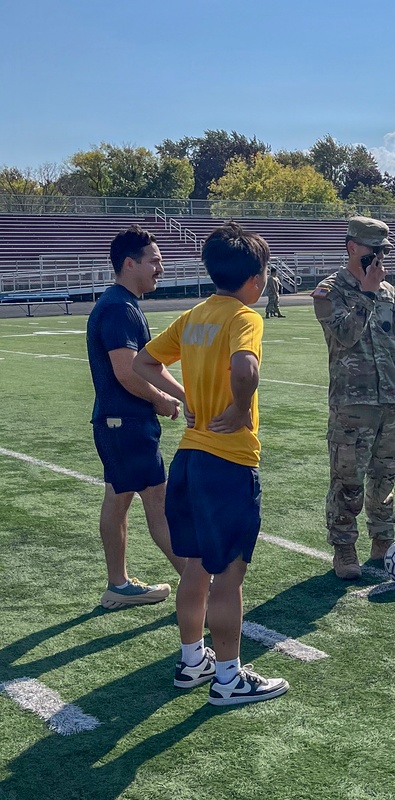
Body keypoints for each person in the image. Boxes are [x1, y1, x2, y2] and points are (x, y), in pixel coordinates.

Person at [134, 222, 288, 706]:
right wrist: (240, 409)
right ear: (256, 279)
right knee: (230, 575)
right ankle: (227, 678)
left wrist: (185, 397)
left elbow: (144, 362)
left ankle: (191, 661)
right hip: (228, 463)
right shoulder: (244, 317)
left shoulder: (194, 314)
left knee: (195, 570)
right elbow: (245, 368)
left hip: (189, 459)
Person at [312, 216, 395, 580]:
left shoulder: (390, 292)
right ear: (351, 248)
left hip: (391, 402)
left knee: (384, 477)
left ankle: (383, 540)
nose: (377, 257)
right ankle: (344, 549)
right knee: (348, 481)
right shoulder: (329, 291)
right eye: (372, 250)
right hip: (352, 406)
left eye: (383, 251)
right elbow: (344, 336)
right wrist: (368, 294)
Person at [86, 224, 186, 610]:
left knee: (119, 496)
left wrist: (178, 394)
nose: (160, 268)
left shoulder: (121, 304)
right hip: (125, 423)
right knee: (157, 502)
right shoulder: (118, 308)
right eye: (154, 261)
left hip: (118, 423)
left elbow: (146, 366)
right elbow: (127, 372)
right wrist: (162, 399)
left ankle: (119, 584)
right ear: (130, 264)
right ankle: (199, 583)